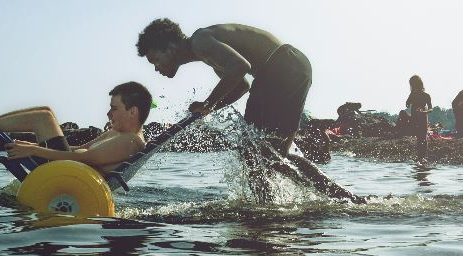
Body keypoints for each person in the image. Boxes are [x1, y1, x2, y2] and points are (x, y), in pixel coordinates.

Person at [136, 19, 362, 203]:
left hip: (280, 66)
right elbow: (242, 86)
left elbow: (240, 66)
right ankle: (343, 199)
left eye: (155, 59)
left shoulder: (200, 40)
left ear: (171, 46)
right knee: (273, 156)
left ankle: (267, 208)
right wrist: (208, 108)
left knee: (252, 152)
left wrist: (208, 103)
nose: (156, 67)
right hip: (292, 67)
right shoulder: (207, 52)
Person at [0, 81, 153, 173]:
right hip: (65, 165)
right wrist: (35, 146)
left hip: (66, 173)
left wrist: (34, 151)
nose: (108, 113)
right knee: (46, 111)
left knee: (44, 118)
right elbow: (79, 148)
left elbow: (83, 158)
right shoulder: (118, 133)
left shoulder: (131, 141)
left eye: (114, 108)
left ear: (132, 112)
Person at [405, 75, 432, 162]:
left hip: (423, 117)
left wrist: (424, 112)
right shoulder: (412, 94)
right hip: (414, 118)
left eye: (412, 85)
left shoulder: (426, 95)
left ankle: (423, 156)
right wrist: (408, 103)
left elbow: (431, 108)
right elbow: (407, 103)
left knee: (422, 137)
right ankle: (420, 157)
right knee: (419, 138)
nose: (412, 87)